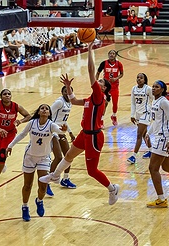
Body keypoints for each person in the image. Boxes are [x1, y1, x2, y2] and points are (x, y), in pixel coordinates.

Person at [39, 42, 120, 206]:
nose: (99, 83)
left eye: (102, 83)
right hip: (85, 134)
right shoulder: (91, 99)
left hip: (94, 137)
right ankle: (55, 176)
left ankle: (112, 189)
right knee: (69, 156)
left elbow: (91, 72)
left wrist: (90, 50)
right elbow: (74, 100)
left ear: (103, 89)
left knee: (92, 171)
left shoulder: (99, 96)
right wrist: (68, 87)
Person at [6, 104, 68, 221]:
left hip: (43, 158)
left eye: (47, 109)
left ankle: (39, 201)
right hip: (29, 157)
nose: (44, 110)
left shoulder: (51, 125)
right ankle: (25, 207)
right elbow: (22, 134)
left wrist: (63, 130)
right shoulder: (32, 123)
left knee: (43, 186)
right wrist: (10, 145)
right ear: (39, 112)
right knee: (27, 185)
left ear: (49, 113)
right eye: (42, 108)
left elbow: (60, 131)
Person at [0, 89, 31, 191]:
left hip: (10, 133)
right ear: (1, 96)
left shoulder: (16, 106)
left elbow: (28, 116)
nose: (7, 95)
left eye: (9, 94)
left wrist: (21, 121)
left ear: (11, 96)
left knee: (2, 155)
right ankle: (2, 165)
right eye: (5, 94)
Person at [144, 80, 169, 208]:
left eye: (157, 87)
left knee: (153, 168)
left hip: (164, 139)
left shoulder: (164, 102)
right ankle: (161, 199)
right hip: (161, 138)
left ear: (163, 90)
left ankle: (161, 199)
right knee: (167, 167)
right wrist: (148, 133)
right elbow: (157, 121)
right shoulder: (155, 101)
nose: (153, 88)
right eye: (153, 86)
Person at [46, 85, 77, 196]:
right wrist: (51, 129)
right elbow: (48, 114)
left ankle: (65, 179)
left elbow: (63, 120)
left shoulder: (69, 103)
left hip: (61, 131)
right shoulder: (59, 102)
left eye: (68, 91)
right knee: (58, 157)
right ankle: (46, 183)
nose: (67, 93)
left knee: (69, 155)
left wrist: (70, 132)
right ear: (62, 92)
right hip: (53, 132)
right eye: (65, 91)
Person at [126, 73, 154, 164]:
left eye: (141, 78)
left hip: (146, 114)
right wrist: (132, 115)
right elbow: (133, 103)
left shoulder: (148, 89)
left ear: (145, 80)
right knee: (143, 134)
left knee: (138, 135)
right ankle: (151, 151)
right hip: (138, 115)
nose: (139, 79)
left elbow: (154, 99)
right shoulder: (133, 89)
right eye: (137, 77)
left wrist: (152, 110)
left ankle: (133, 156)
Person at [95, 49, 124, 126]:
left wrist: (116, 78)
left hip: (115, 87)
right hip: (105, 87)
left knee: (115, 104)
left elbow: (121, 74)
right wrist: (97, 82)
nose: (111, 55)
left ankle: (114, 116)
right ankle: (101, 120)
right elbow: (97, 73)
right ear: (108, 55)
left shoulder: (119, 64)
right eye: (110, 53)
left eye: (113, 53)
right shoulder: (104, 63)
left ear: (115, 55)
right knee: (104, 104)